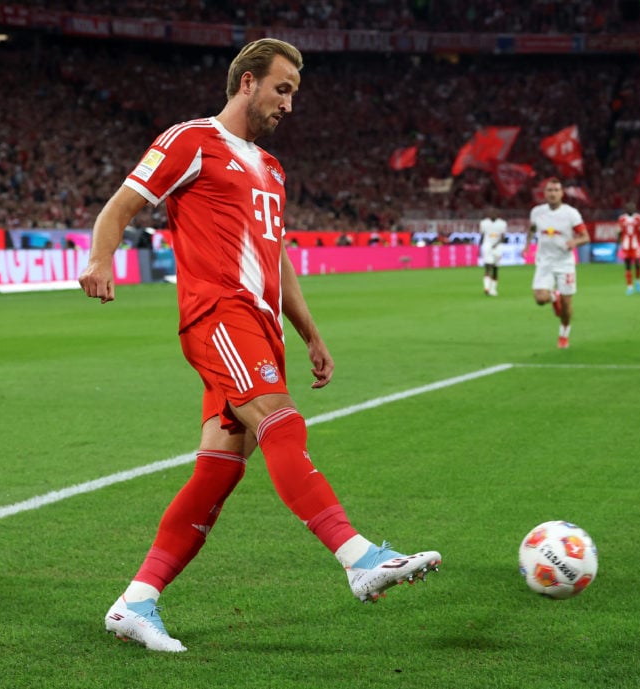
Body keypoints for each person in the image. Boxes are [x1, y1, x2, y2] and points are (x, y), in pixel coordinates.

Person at [78, 38, 440, 653]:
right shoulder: (189, 140)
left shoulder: (272, 170)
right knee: (281, 422)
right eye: (282, 89)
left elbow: (277, 258)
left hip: (259, 323)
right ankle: (359, 558)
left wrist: (311, 333)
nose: (289, 105)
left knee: (217, 473)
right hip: (217, 314)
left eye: (293, 93)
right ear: (247, 82)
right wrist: (100, 257)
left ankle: (135, 601)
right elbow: (123, 202)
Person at [527, 178, 589, 349]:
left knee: (567, 307)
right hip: (544, 262)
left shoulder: (571, 214)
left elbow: (585, 236)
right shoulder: (537, 212)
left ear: (562, 193)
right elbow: (532, 229)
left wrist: (574, 243)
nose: (552, 193)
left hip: (565, 264)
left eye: (556, 190)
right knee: (540, 299)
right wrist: (527, 246)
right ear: (544, 193)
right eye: (549, 190)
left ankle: (563, 335)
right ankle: (555, 297)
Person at [616, 201, 640, 295]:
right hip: (626, 245)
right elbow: (619, 232)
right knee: (627, 266)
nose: (630, 209)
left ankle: (638, 281)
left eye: (632, 207)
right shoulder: (621, 219)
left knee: (637, 263)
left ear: (635, 209)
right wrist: (617, 244)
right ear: (626, 209)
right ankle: (629, 287)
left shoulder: (639, 218)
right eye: (629, 208)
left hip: (636, 245)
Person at [478, 207, 507, 296]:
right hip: (487, 246)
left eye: (494, 213)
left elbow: (503, 237)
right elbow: (482, 236)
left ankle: (493, 289)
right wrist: (479, 248)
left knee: (495, 269)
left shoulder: (502, 223)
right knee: (488, 266)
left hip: (497, 248)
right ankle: (486, 288)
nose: (492, 214)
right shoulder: (483, 223)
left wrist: (497, 243)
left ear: (497, 214)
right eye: (490, 213)